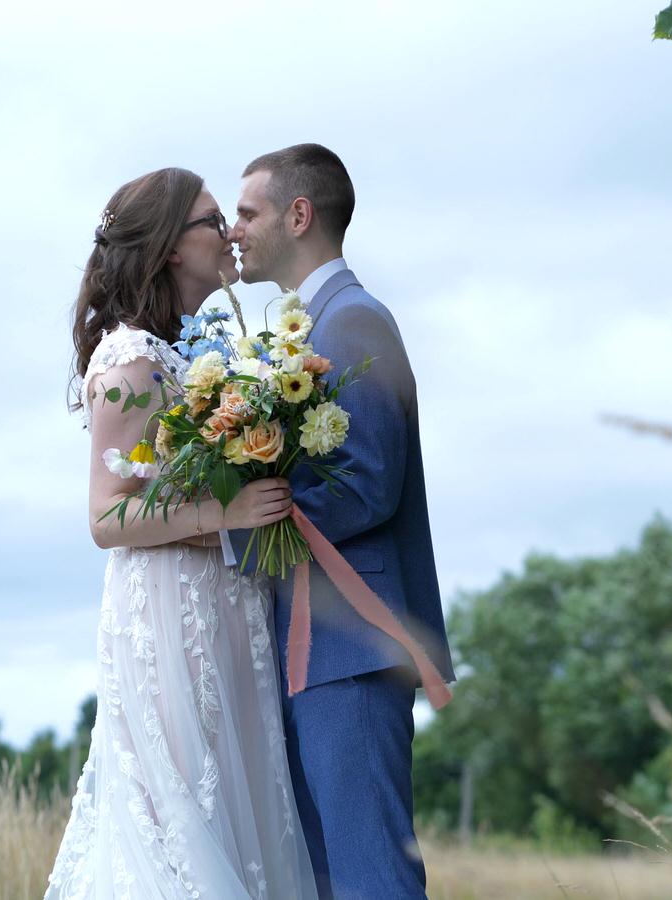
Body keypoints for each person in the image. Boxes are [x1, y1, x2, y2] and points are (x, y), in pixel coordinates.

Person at [46, 167, 316, 899]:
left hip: (231, 605)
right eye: (210, 220)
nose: (229, 232)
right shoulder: (128, 358)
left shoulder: (206, 356)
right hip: (167, 618)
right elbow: (107, 515)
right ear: (168, 246)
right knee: (181, 821)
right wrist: (225, 514)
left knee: (241, 812)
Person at [222, 144, 454, 899]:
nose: (234, 229)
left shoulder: (353, 322)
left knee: (371, 880)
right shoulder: (306, 326)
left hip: (351, 647)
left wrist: (229, 526)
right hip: (314, 652)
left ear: (299, 214)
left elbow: (368, 486)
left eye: (248, 212)